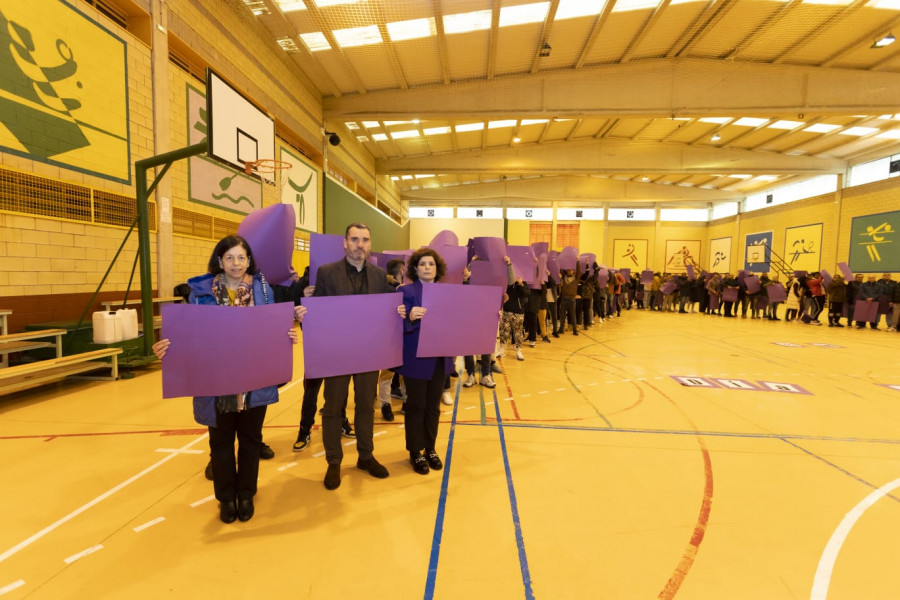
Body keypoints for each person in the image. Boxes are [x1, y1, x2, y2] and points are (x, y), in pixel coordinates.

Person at [152, 235, 304, 523]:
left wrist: (287, 335)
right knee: (220, 444)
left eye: (241, 257)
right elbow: (187, 334)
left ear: (249, 261)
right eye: (230, 257)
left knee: (250, 440)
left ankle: (246, 493)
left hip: (253, 380)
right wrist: (165, 348)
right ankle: (225, 498)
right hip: (215, 382)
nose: (236, 263)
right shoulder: (200, 293)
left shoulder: (263, 292)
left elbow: (273, 328)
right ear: (219, 261)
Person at [313, 223, 406, 490]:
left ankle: (366, 456)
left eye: (365, 240)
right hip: (337, 353)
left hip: (367, 353)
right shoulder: (327, 273)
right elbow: (318, 311)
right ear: (345, 243)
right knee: (333, 408)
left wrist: (397, 312)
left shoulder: (380, 277)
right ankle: (334, 461)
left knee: (366, 405)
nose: (360, 245)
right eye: (354, 239)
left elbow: (386, 313)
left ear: (370, 243)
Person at [395, 248, 455, 475]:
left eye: (431, 264)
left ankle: (430, 447)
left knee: (433, 406)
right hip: (416, 358)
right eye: (423, 264)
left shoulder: (447, 292)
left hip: (440, 358)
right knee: (416, 405)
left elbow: (460, 318)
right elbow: (394, 324)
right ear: (415, 268)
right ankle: (414, 451)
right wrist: (409, 316)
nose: (427, 267)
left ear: (437, 268)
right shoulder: (405, 291)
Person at [376, 258, 407, 422]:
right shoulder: (392, 289)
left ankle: (387, 404)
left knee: (388, 374)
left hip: (393, 336)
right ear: (402, 271)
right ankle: (391, 403)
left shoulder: (386, 287)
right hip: (393, 336)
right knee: (391, 374)